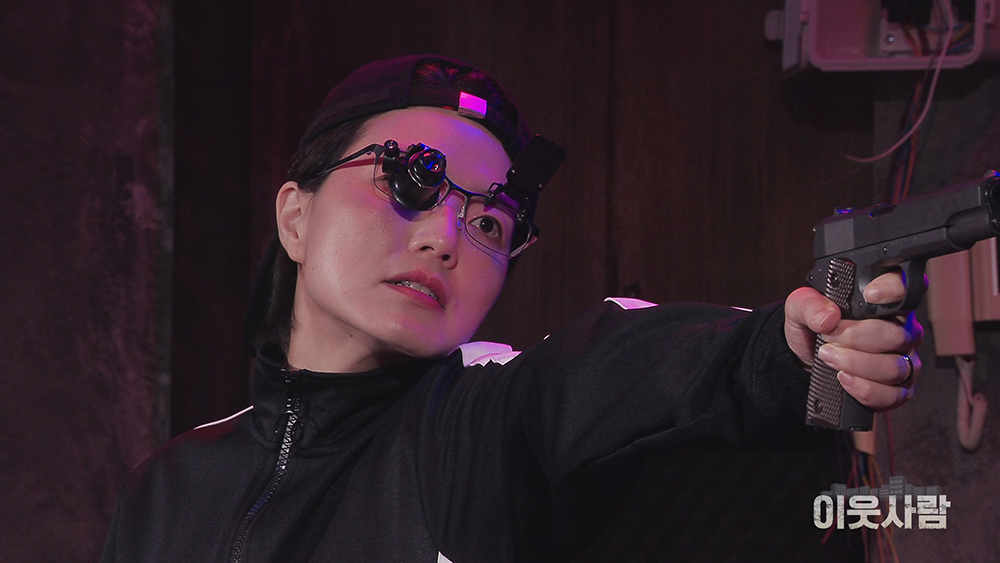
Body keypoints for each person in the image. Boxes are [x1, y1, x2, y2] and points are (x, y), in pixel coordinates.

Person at [101, 55, 922, 562]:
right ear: (295, 215)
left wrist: (789, 348)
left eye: (490, 221)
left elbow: (622, 366)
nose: (445, 238)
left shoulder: (481, 424)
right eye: (411, 179)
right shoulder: (168, 485)